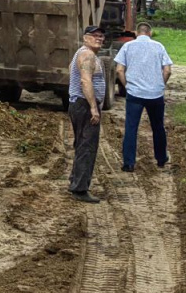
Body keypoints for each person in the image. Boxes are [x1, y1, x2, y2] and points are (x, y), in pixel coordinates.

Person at [114, 22, 172, 172]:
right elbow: (167, 70)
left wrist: (127, 86)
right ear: (150, 33)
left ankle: (129, 163)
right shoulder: (159, 46)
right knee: (158, 127)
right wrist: (160, 84)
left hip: (135, 94)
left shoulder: (127, 47)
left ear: (136, 33)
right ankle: (161, 159)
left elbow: (119, 70)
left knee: (131, 128)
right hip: (155, 94)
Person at [67, 25, 106, 203]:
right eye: (94, 35)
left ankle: (75, 181)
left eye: (101, 36)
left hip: (78, 104)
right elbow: (85, 81)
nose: (98, 38)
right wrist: (93, 107)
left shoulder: (81, 53)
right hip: (84, 105)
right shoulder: (87, 55)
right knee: (87, 146)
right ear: (85, 38)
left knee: (81, 144)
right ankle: (80, 189)